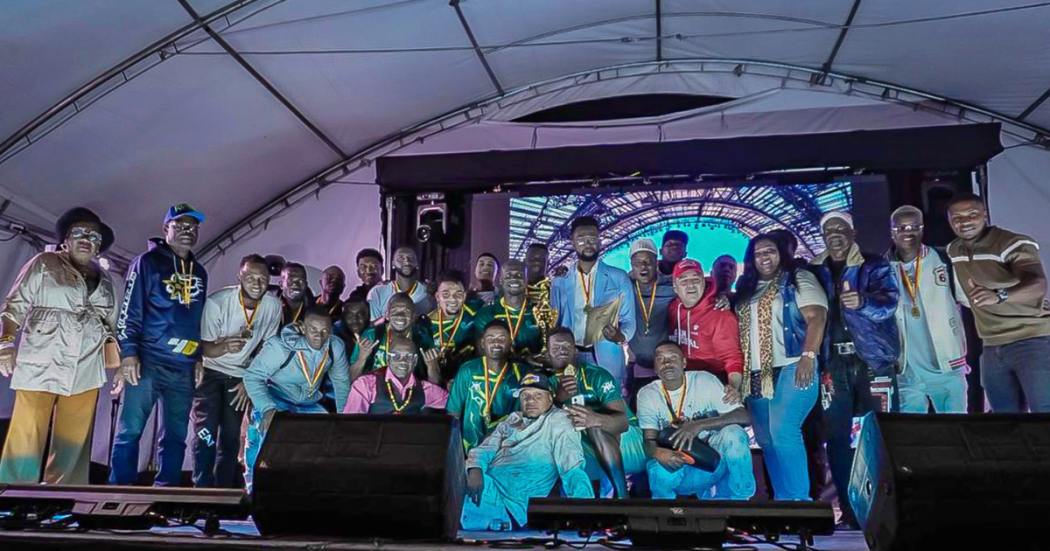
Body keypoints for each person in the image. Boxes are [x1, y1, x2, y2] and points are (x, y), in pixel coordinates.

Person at [0, 208, 117, 484]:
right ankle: (13, 495)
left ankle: (63, 497)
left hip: (86, 366)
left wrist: (118, 365)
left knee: (73, 440)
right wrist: (5, 343)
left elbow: (111, 328)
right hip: (42, 359)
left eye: (93, 235)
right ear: (66, 239)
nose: (86, 238)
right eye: (79, 232)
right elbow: (12, 307)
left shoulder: (107, 279)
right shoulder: (44, 263)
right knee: (27, 432)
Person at [810, 211, 899, 527]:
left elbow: (890, 302)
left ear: (853, 231)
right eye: (828, 229)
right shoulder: (814, 270)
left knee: (886, 433)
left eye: (840, 228)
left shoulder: (874, 264)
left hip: (873, 361)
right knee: (835, 438)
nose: (834, 233)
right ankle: (849, 511)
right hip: (831, 365)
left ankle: (890, 507)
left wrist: (862, 301)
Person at [110, 204, 209, 486]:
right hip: (149, 361)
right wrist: (128, 353)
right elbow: (130, 310)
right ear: (166, 229)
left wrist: (199, 356)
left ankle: (166, 491)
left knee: (177, 435)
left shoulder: (199, 272)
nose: (187, 231)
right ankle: (121, 493)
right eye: (179, 225)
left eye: (193, 227)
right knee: (130, 431)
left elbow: (197, 319)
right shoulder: (147, 263)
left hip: (184, 366)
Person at [734, 234, 827, 501]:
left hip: (793, 366)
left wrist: (808, 355)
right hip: (755, 375)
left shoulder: (798, 279)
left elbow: (817, 317)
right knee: (766, 440)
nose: (764, 256)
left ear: (781, 253)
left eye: (770, 250)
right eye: (758, 252)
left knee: (784, 431)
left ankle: (801, 502)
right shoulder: (747, 287)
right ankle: (784, 502)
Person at [946, 193, 1050, 412]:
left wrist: (1000, 295)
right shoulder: (954, 250)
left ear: (984, 215)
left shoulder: (1012, 243)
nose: (964, 221)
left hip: (1032, 340)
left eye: (972, 214)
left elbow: (1038, 283)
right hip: (992, 345)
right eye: (957, 217)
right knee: (1005, 419)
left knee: (1044, 412)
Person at [191, 254, 281, 488]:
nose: (257, 283)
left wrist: (249, 380)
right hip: (210, 372)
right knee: (206, 434)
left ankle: (222, 493)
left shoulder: (272, 305)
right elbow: (202, 348)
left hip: (240, 376)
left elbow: (267, 347)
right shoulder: (217, 302)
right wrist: (222, 346)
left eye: (262, 278)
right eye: (250, 277)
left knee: (231, 437)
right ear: (239, 276)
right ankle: (201, 490)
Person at [462, 371, 594, 531]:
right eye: (525, 396)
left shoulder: (559, 420)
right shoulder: (512, 420)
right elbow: (485, 449)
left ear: (550, 398)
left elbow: (572, 468)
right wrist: (475, 467)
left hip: (507, 503)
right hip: (484, 483)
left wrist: (585, 511)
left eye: (538, 395)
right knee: (451, 469)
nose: (530, 400)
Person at [242, 307, 351, 491]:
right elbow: (252, 376)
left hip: (309, 403)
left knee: (330, 440)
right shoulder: (280, 347)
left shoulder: (335, 346)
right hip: (278, 398)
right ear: (304, 328)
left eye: (325, 330)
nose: (320, 335)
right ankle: (254, 490)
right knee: (266, 436)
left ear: (331, 329)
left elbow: (341, 383)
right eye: (314, 330)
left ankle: (309, 491)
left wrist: (344, 418)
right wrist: (268, 409)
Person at [637, 341, 755, 500]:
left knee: (734, 433)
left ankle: (741, 502)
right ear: (655, 367)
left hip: (711, 463)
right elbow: (648, 441)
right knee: (658, 467)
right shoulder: (647, 394)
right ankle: (665, 512)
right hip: (676, 467)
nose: (667, 363)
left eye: (673, 357)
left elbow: (744, 416)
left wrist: (700, 425)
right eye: (660, 359)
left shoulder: (704, 380)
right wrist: (658, 452)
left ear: (684, 362)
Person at [887, 206, 968, 414]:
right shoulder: (881, 267)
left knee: (957, 431)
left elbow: (970, 298)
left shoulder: (943, 258)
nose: (908, 232)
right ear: (892, 232)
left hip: (946, 364)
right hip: (906, 369)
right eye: (901, 227)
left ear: (922, 230)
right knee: (915, 437)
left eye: (915, 226)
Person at [548, 328, 645, 498]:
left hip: (628, 443)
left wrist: (594, 418)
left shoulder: (597, 375)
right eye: (555, 348)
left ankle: (623, 497)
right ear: (547, 354)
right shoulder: (546, 383)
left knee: (594, 426)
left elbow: (623, 422)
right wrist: (559, 398)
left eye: (566, 347)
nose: (562, 351)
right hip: (585, 446)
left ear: (576, 351)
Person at [550, 216, 636, 392]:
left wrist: (621, 337)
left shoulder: (618, 277)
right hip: (569, 355)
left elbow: (629, 319)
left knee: (610, 406)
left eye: (593, 238)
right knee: (573, 406)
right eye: (581, 240)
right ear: (573, 244)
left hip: (607, 356)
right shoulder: (559, 282)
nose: (588, 244)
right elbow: (554, 323)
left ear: (599, 240)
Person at [447, 321, 529, 451]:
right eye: (490, 338)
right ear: (483, 343)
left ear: (510, 342)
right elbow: (453, 413)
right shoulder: (468, 370)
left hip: (509, 449)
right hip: (471, 449)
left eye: (502, 338)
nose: (496, 343)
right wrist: (454, 450)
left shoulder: (522, 372)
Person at [668, 259, 745, 392]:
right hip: (682, 378)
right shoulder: (673, 308)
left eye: (696, 280)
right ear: (675, 286)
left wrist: (733, 387)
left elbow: (733, 358)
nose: (690, 285)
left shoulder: (720, 314)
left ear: (703, 282)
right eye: (684, 281)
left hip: (713, 380)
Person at [626, 238, 676, 402]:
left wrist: (720, 295)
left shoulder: (671, 286)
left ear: (656, 262)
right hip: (638, 367)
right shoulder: (624, 286)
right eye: (637, 262)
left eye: (648, 261)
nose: (643, 267)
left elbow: (701, 284)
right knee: (638, 413)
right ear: (631, 265)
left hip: (667, 367)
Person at [344, 336, 448, 414]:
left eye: (409, 357)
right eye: (396, 356)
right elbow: (351, 423)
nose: (402, 361)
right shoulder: (366, 385)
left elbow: (455, 404)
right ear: (388, 359)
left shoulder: (425, 389)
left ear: (415, 361)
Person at [352, 293, 439, 383]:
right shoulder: (371, 335)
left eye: (406, 312)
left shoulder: (422, 336)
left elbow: (435, 389)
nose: (400, 315)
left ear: (413, 316)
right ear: (387, 315)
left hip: (411, 393)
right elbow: (352, 379)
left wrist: (432, 366)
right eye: (394, 311)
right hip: (375, 392)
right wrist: (361, 358)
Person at [474, 260, 543, 358]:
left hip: (533, 371)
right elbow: (483, 354)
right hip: (500, 371)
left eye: (519, 275)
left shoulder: (539, 312)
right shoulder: (485, 313)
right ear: (501, 280)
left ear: (526, 280)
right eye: (508, 275)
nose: (514, 279)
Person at [428, 270, 476, 382]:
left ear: (464, 296)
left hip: (469, 381)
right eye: (446, 294)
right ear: (437, 297)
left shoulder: (475, 314)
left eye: (458, 294)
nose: (452, 299)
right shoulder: (426, 325)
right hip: (437, 383)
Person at [367, 246, 434, 322]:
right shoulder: (377, 292)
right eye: (400, 258)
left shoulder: (428, 292)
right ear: (393, 263)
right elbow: (373, 329)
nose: (406, 261)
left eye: (411, 258)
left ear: (417, 263)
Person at [277, 262, 313, 326]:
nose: (296, 284)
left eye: (301, 280)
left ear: (306, 285)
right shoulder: (267, 308)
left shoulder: (315, 313)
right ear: (281, 285)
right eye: (290, 280)